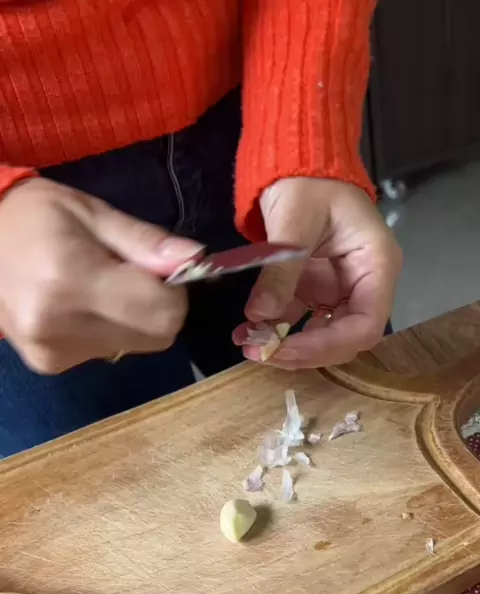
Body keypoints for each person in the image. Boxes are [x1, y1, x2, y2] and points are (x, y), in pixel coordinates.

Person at [0, 0, 401, 457]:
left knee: (370, 442)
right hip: (25, 232)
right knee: (113, 483)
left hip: (255, 102)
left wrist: (307, 129)